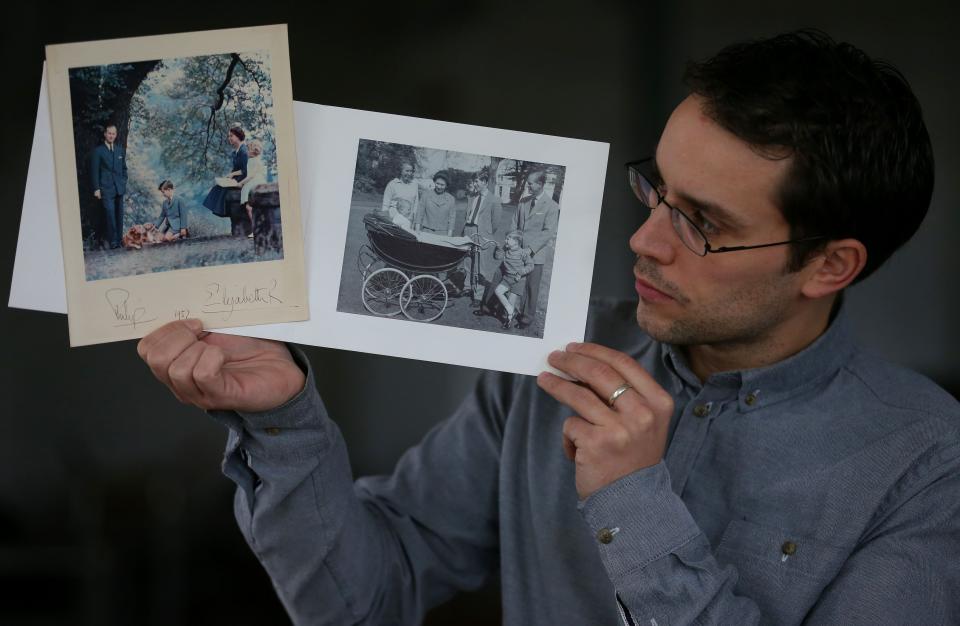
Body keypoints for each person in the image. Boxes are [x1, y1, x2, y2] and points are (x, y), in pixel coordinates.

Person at [137, 31, 959, 626]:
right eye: (657, 190)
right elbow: (362, 601)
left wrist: (633, 500)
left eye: (702, 223)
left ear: (829, 266)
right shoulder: (551, 356)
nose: (644, 240)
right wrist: (282, 422)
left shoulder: (927, 463)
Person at [514, 169, 560, 329]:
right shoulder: (523, 202)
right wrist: (513, 243)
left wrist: (530, 249)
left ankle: (526, 318)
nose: (528, 186)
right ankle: (509, 310)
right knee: (512, 280)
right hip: (517, 250)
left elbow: (548, 232)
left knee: (532, 287)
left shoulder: (552, 206)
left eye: (530, 183)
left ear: (540, 184)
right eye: (528, 183)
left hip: (536, 254)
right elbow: (515, 223)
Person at [458, 170, 500, 302]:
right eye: (474, 181)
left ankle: (478, 295)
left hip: (482, 234)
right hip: (469, 230)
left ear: (485, 182)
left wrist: (485, 232)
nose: (474, 184)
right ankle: (467, 287)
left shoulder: (494, 200)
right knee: (468, 260)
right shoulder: (472, 197)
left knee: (480, 264)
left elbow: (496, 222)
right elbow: (468, 215)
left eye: (477, 181)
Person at [481, 229, 534, 328]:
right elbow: (497, 257)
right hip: (507, 278)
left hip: (518, 280)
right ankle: (511, 311)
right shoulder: (506, 250)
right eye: (506, 238)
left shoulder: (522, 253)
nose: (505, 241)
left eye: (508, 239)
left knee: (511, 300)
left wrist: (521, 272)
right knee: (498, 291)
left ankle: (508, 322)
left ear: (516, 242)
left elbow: (530, 265)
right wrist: (498, 248)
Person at [90, 124, 128, 249]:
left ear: (116, 135)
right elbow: (94, 171)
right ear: (105, 134)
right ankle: (113, 242)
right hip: (105, 189)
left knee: (119, 215)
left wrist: (123, 182)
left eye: (113, 133)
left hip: (119, 188)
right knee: (110, 214)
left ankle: (119, 240)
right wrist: (96, 189)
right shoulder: (98, 151)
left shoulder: (119, 150)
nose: (111, 135)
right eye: (109, 133)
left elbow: (124, 169)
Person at [202, 126, 248, 220]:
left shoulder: (244, 151)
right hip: (237, 176)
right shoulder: (236, 151)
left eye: (231, 136)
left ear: (238, 136)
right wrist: (228, 176)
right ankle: (221, 211)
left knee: (223, 189)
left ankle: (224, 212)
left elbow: (245, 170)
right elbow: (236, 168)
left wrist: (233, 175)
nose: (229, 138)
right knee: (217, 187)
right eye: (229, 136)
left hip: (243, 178)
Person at [238, 139, 268, 238]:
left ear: (252, 151)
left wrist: (241, 183)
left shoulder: (253, 161)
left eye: (248, 149)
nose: (247, 151)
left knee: (250, 208)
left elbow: (251, 176)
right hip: (258, 182)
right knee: (253, 208)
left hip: (254, 183)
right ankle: (259, 228)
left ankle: (257, 229)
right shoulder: (255, 160)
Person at [381, 162, 421, 229]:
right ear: (401, 171)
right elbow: (385, 205)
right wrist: (387, 222)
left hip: (408, 222)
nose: (409, 173)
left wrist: (414, 222)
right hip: (393, 221)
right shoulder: (392, 184)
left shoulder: (414, 185)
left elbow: (415, 205)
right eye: (407, 171)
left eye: (411, 171)